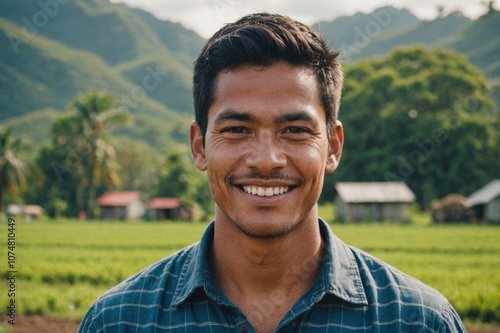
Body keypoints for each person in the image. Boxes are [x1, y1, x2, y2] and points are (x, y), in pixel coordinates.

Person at [78, 13, 466, 333]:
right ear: (199, 147)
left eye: (295, 130)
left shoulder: (416, 321)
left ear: (333, 146)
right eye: (237, 130)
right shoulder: (119, 321)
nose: (266, 160)